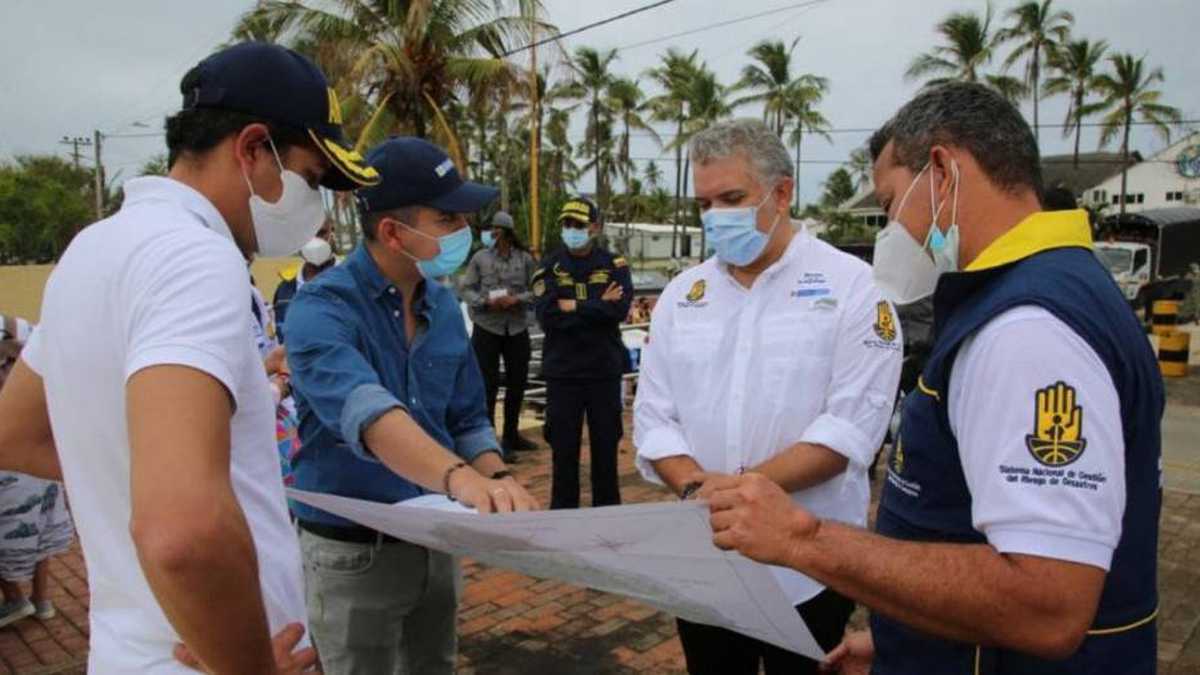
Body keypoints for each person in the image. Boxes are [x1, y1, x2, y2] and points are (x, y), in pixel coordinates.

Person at [705, 82, 1163, 675]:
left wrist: (803, 539)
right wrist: (908, 637)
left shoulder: (1026, 331)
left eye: (892, 203)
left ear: (943, 172)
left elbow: (1047, 604)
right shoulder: (1049, 290)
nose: (889, 228)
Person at [0, 41, 382, 673]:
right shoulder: (195, 261)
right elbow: (183, 529)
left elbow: (14, 432)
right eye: (312, 179)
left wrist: (148, 477)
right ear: (254, 149)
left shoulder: (93, 249)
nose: (316, 206)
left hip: (133, 648)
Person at [633, 119, 902, 675]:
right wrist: (692, 485)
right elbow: (655, 418)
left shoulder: (853, 288)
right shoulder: (684, 295)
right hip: (708, 558)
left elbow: (848, 431)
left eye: (731, 198)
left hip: (809, 565)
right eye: (704, 204)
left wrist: (742, 489)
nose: (715, 217)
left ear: (781, 193)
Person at [284, 136, 539, 675]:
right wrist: (464, 482)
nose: (463, 232)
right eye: (446, 219)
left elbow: (466, 416)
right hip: (354, 554)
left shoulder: (443, 305)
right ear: (393, 232)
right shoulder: (321, 309)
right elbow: (370, 415)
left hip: (434, 540)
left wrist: (497, 478)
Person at [533, 197, 633, 509]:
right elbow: (547, 316)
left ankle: (608, 519)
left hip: (603, 371)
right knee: (563, 452)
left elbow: (618, 310)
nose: (571, 230)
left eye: (578, 225)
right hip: (563, 373)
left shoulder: (614, 265)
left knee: (606, 451)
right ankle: (563, 519)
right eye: (566, 224)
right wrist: (596, 305)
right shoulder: (548, 266)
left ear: (595, 227)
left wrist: (572, 306)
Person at [0, 315, 75, 628]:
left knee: (14, 529)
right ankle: (41, 601)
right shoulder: (17, 324)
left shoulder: (13, 326)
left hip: (14, 453)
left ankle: (18, 599)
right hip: (35, 444)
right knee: (39, 524)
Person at [460, 210, 539, 453]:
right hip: (487, 328)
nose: (489, 234)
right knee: (487, 385)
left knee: (517, 383)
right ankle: (487, 442)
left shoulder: (525, 259)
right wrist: (484, 302)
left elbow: (537, 289)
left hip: (516, 328)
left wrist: (516, 299)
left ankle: (512, 436)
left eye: (494, 229)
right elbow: (465, 288)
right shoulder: (479, 258)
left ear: (505, 232)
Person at [273, 222, 337, 342]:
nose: (314, 241)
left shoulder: (352, 282)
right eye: (306, 235)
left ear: (332, 233)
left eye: (320, 233)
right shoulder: (284, 290)